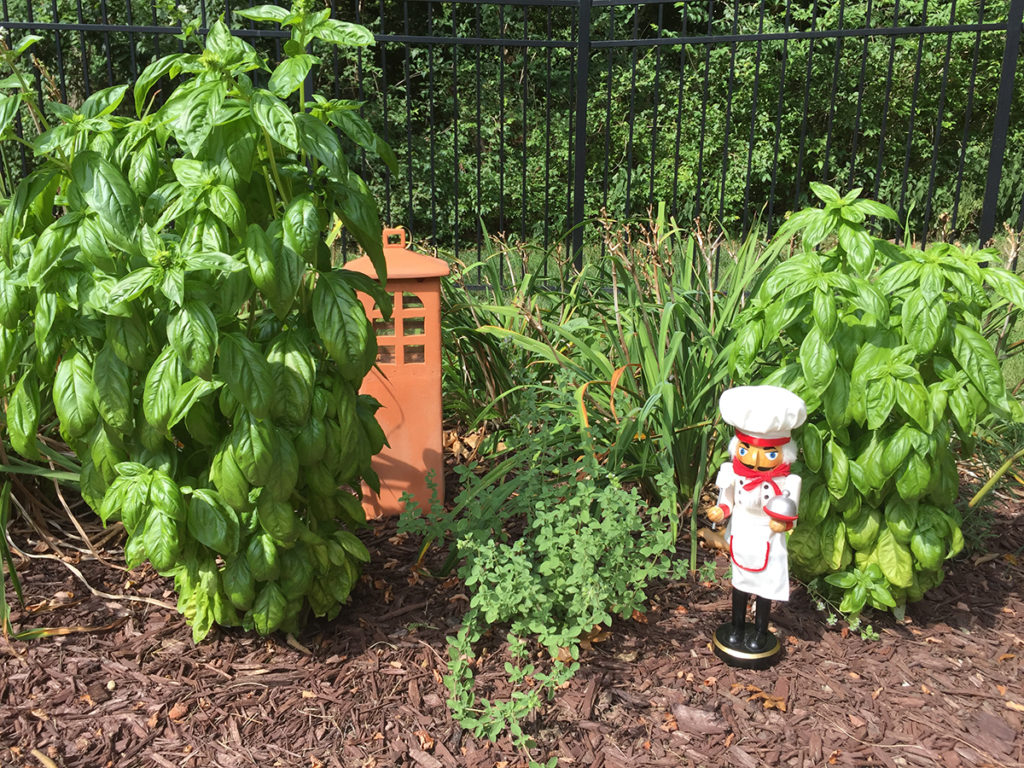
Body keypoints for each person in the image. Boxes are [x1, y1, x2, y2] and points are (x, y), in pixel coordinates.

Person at [707, 385, 806, 663]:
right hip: (743, 531)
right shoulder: (732, 473)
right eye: (748, 450)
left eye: (769, 453)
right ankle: (737, 626)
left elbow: (790, 515)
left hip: (768, 539)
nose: (757, 459)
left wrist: (782, 524)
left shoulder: (788, 483)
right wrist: (719, 511)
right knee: (740, 583)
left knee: (764, 587)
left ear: (783, 452)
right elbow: (727, 501)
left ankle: (760, 630)